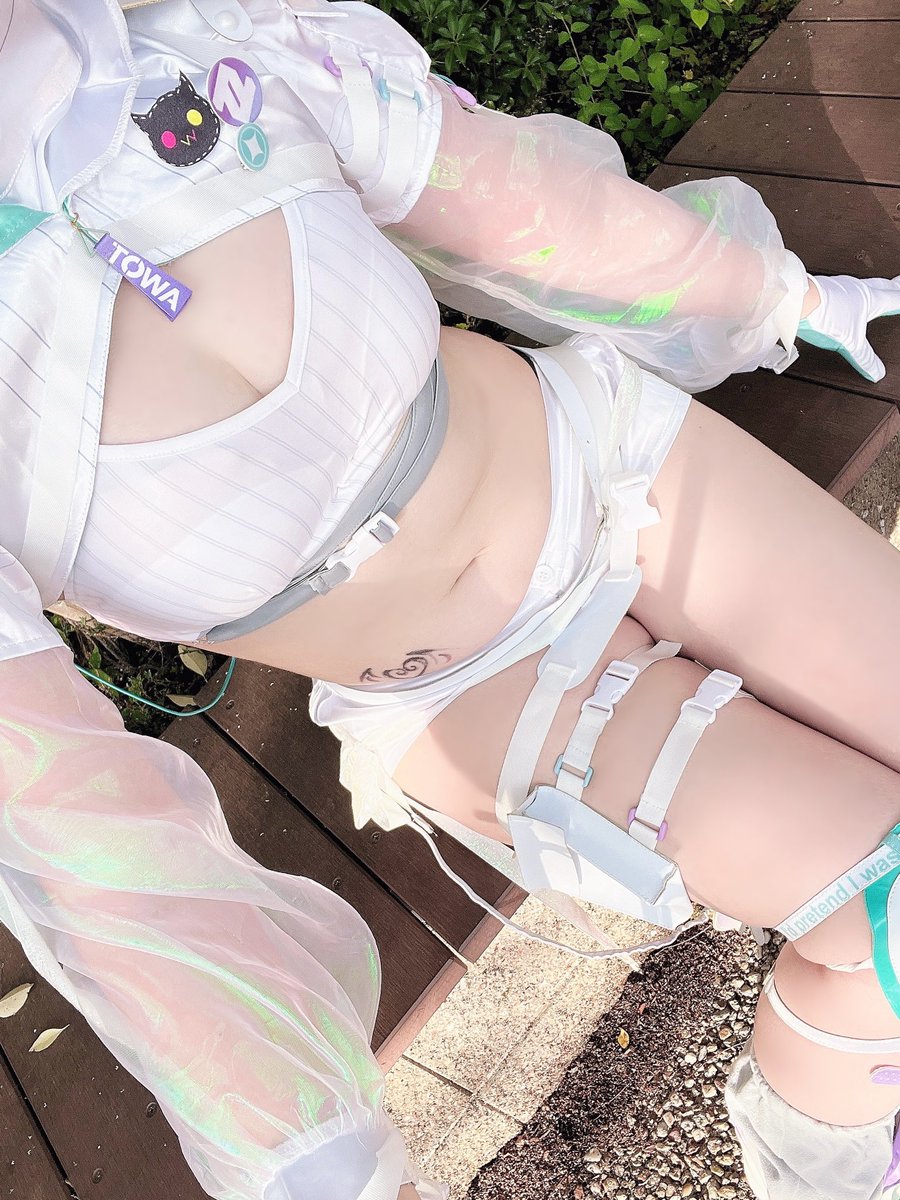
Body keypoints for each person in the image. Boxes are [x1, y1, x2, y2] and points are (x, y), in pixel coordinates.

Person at [2, 1, 900, 1198]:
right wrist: (316, 1161)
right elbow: (79, 836)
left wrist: (775, 297)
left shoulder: (185, 57)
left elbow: (518, 202)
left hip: (615, 463)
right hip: (471, 687)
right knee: (885, 927)